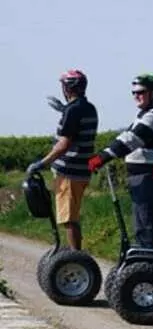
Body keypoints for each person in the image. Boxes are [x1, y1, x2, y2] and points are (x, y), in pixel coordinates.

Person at [87, 74, 153, 250]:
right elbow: (125, 135)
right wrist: (103, 153)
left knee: (147, 227)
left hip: (150, 178)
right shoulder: (146, 114)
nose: (136, 96)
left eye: (141, 92)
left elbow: (131, 139)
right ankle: (147, 259)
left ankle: (151, 263)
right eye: (133, 93)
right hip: (143, 178)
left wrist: (102, 157)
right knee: (142, 226)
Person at [27, 70, 98, 250]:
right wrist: (64, 110)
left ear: (68, 88)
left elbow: (64, 144)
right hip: (81, 170)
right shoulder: (88, 107)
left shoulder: (73, 110)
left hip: (69, 171)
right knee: (71, 216)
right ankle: (75, 253)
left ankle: (75, 257)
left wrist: (42, 163)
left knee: (69, 219)